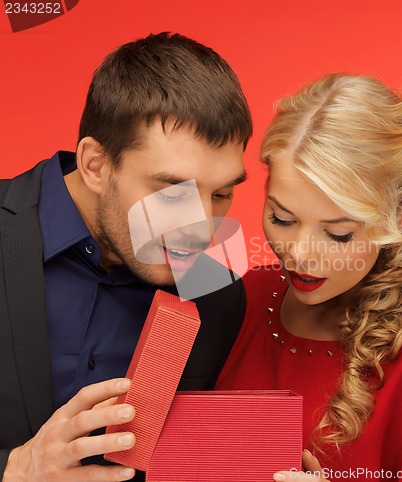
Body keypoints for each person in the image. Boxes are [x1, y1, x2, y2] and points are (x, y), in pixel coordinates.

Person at [0, 32, 252, 481]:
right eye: (173, 191)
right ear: (96, 164)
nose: (200, 230)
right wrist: (14, 469)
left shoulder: (217, 294)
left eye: (223, 193)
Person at [216, 73, 402, 481]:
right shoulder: (247, 296)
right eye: (281, 218)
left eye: (337, 233)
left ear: (398, 215)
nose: (299, 253)